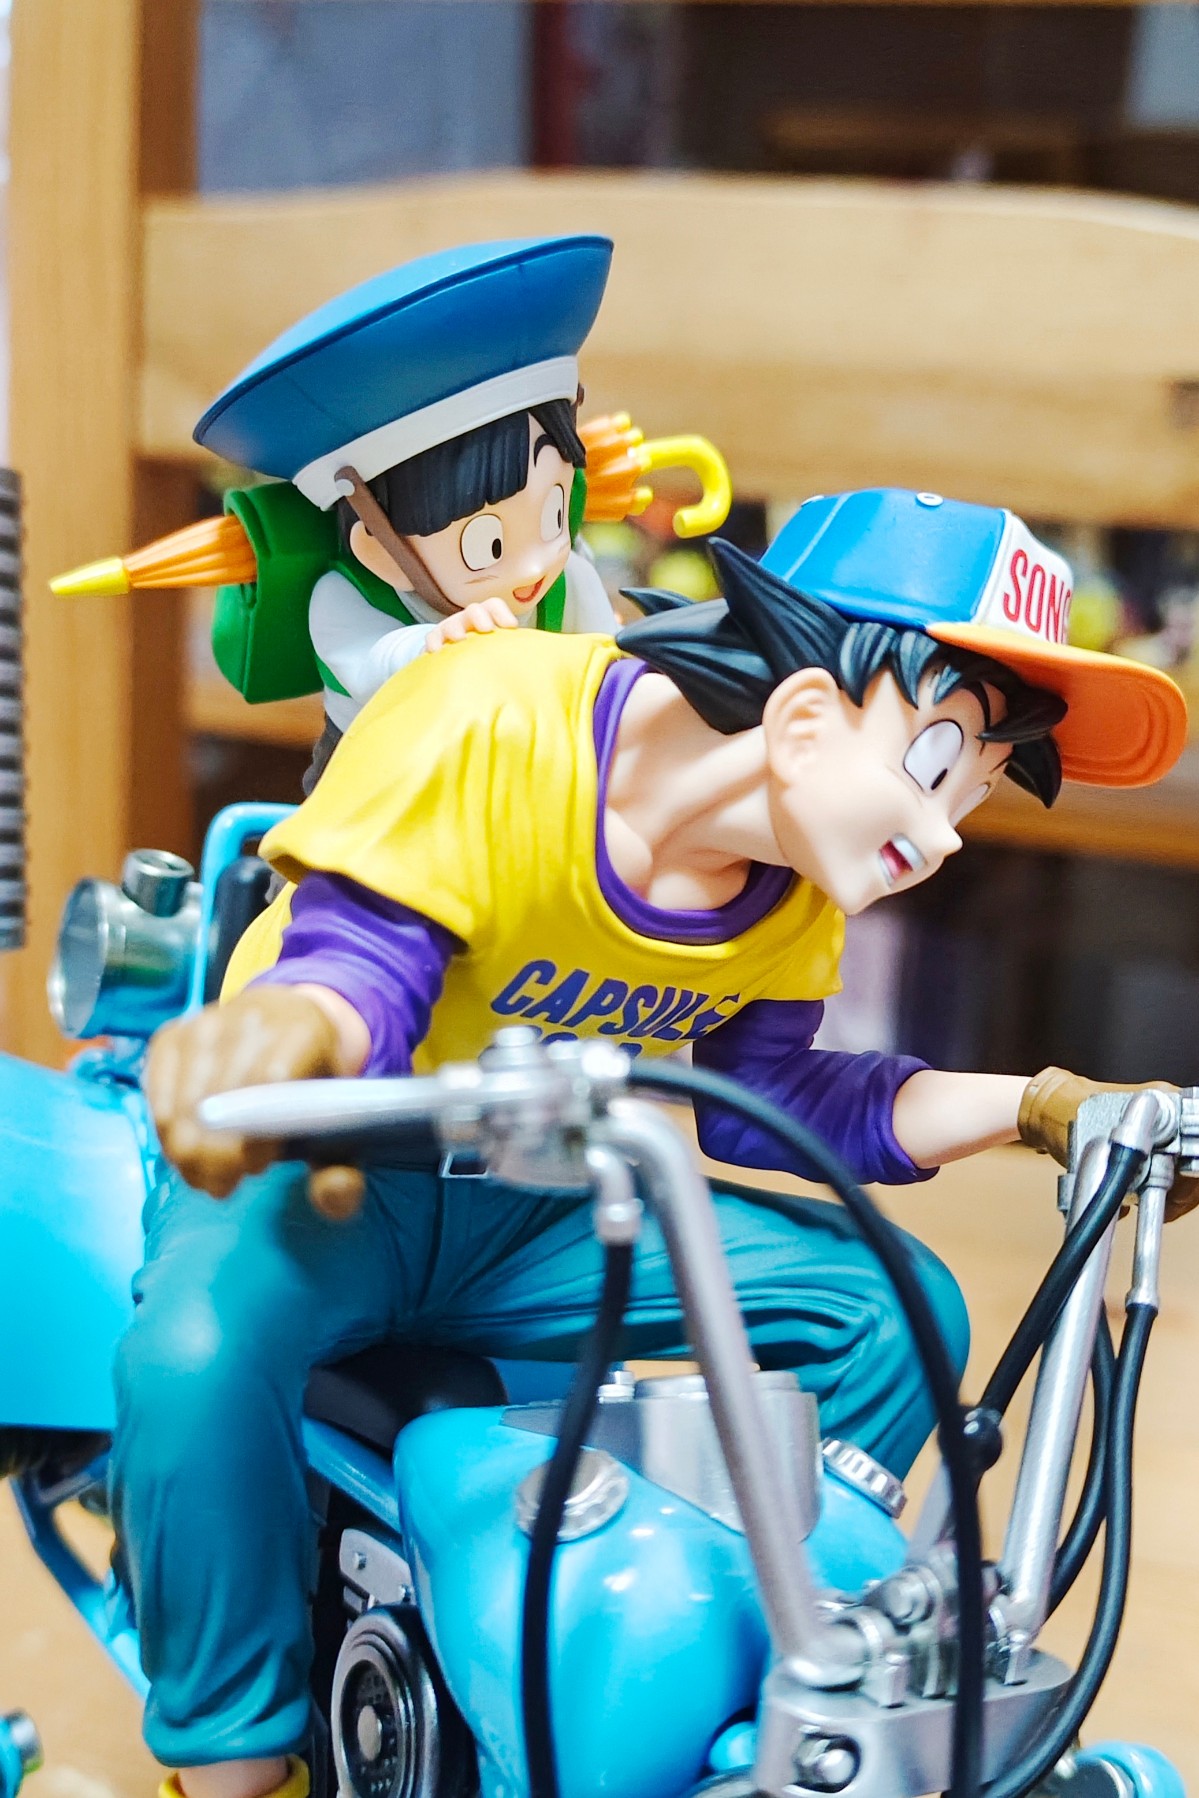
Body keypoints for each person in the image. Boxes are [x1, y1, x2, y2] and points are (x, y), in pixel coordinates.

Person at [121, 488, 1188, 1798]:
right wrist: (287, 1037)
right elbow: (367, 967)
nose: (946, 831)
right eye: (933, 761)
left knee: (893, 1308)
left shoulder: (797, 874)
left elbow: (783, 1094)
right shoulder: (493, 717)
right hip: (331, 1175)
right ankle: (234, 1759)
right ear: (805, 715)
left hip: (545, 1204)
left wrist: (1044, 1104)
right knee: (190, 1356)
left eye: (974, 786)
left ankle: (754, 1668)